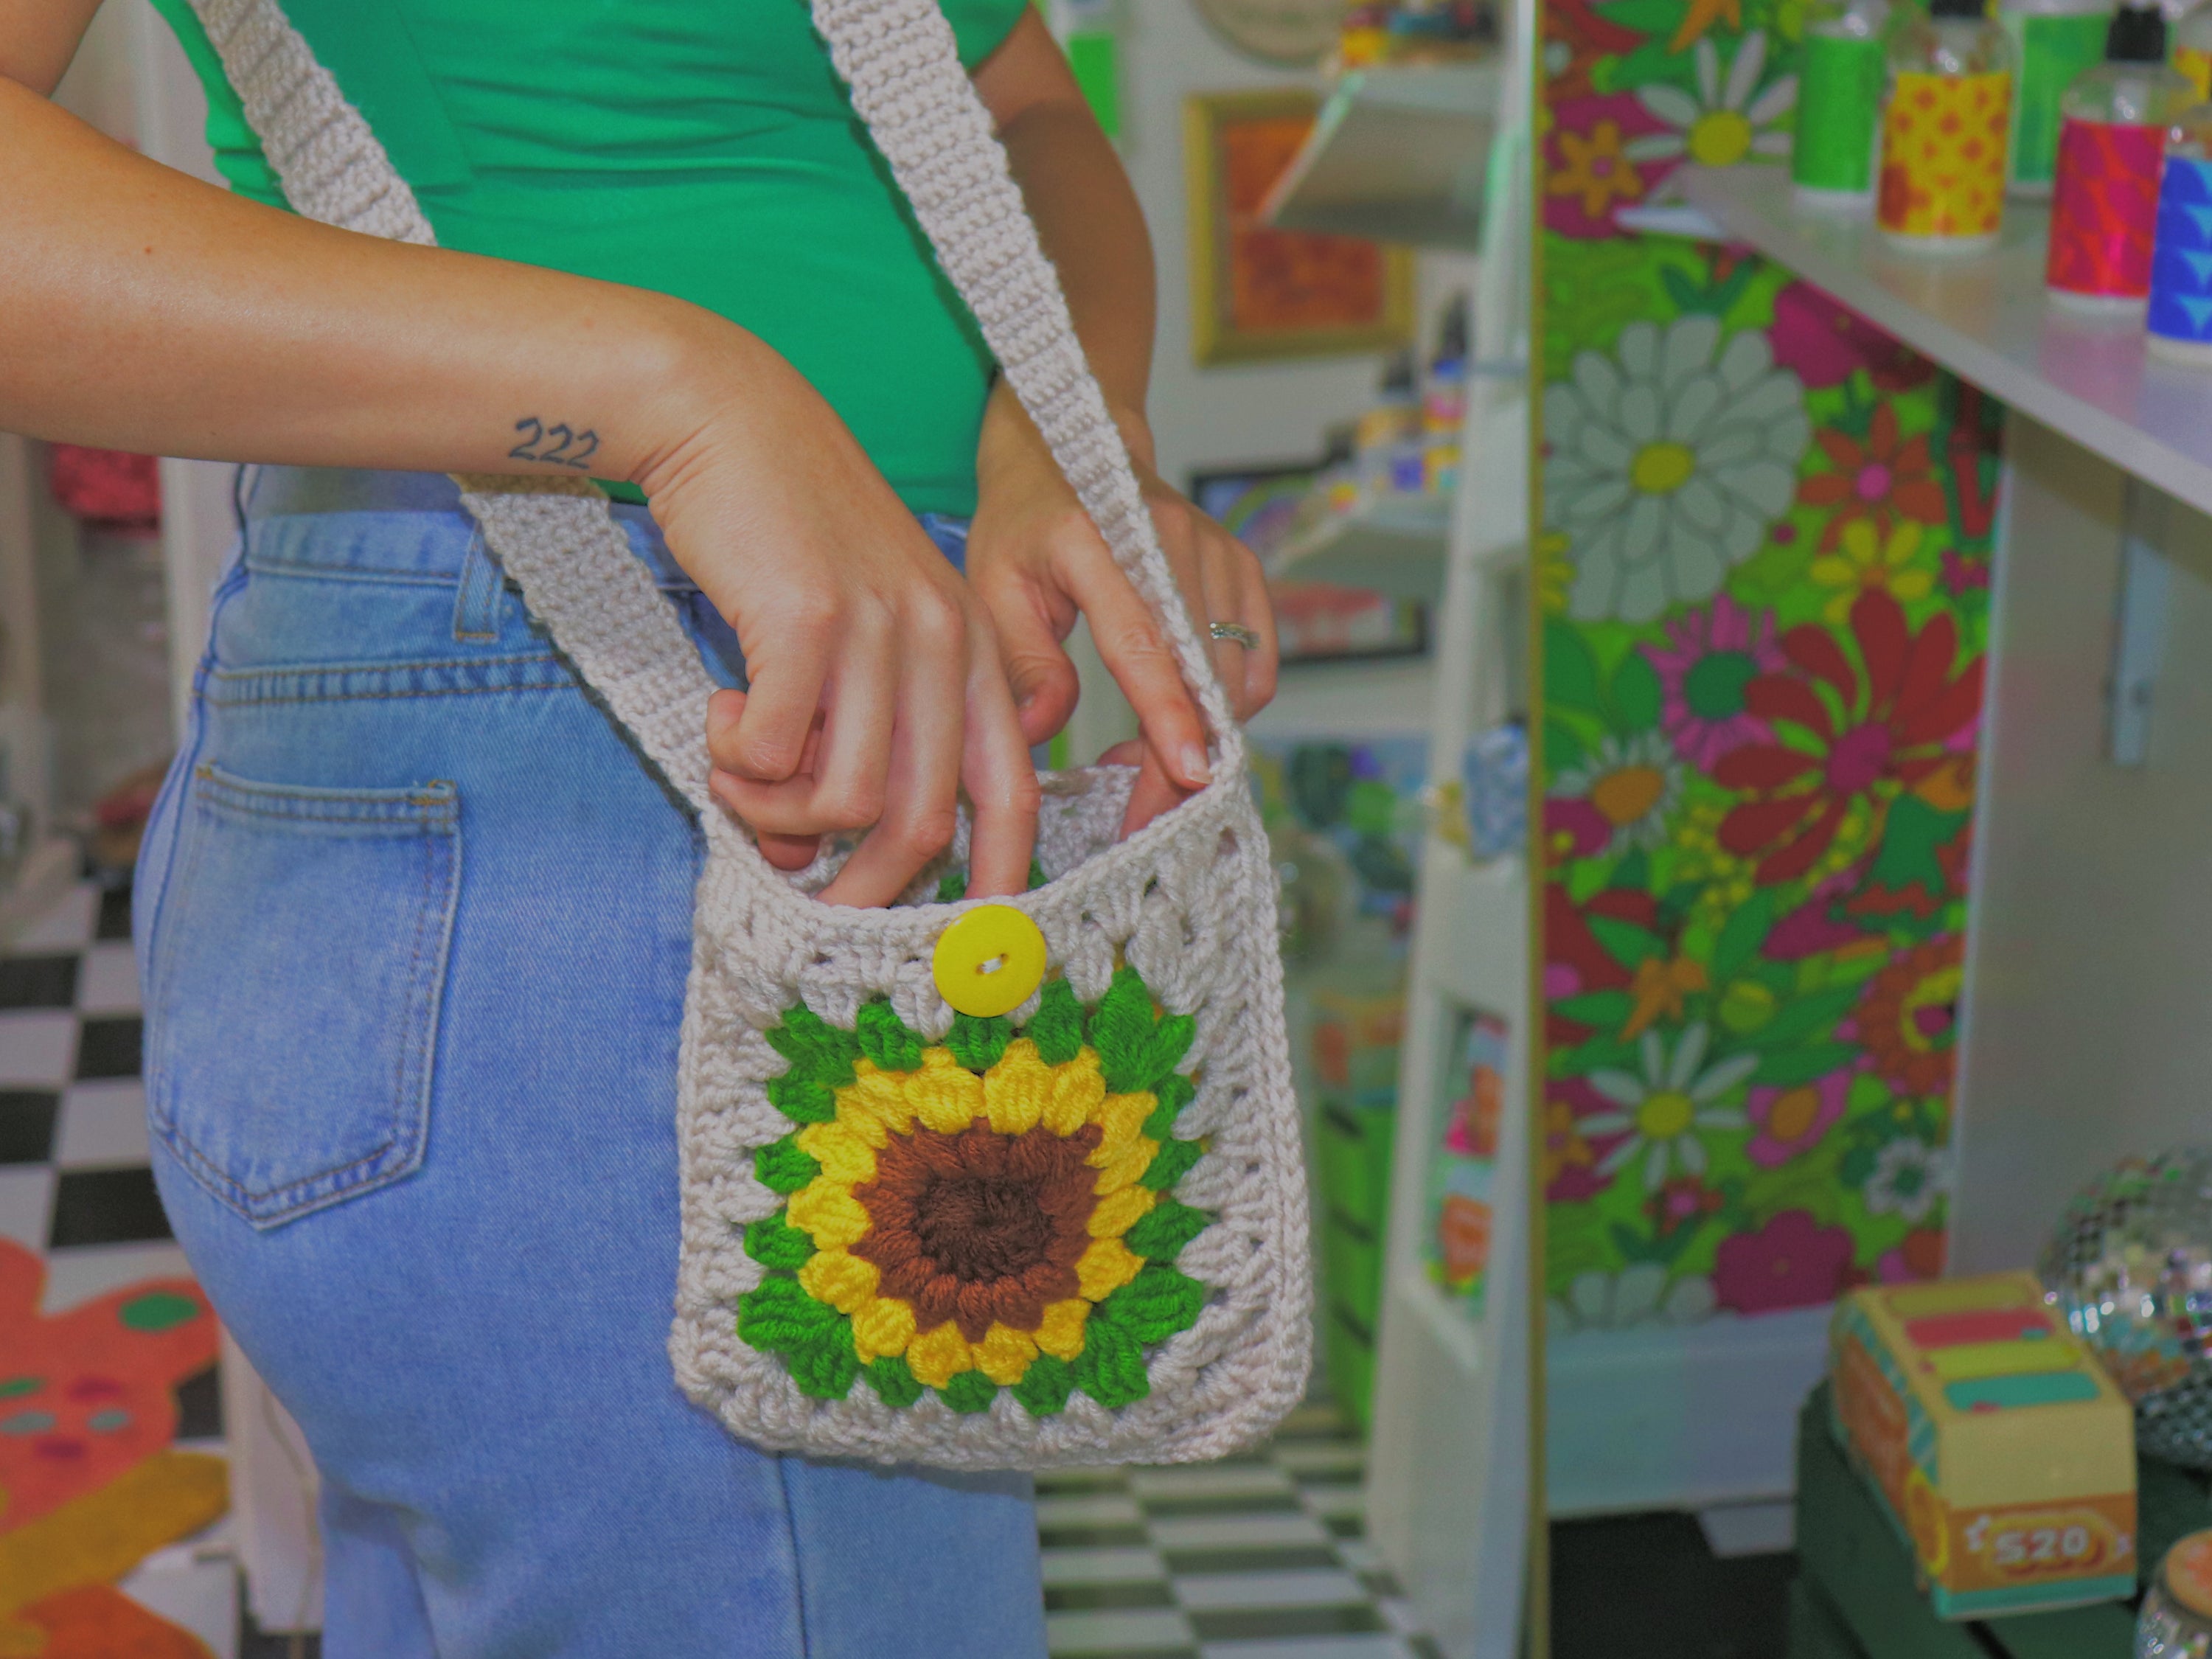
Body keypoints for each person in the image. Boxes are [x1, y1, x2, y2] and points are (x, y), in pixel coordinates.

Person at [0, 3, 1279, 1653]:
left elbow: (1016, 96)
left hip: (686, 754)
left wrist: (1063, 432)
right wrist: (674, 396)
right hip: (567, 733)